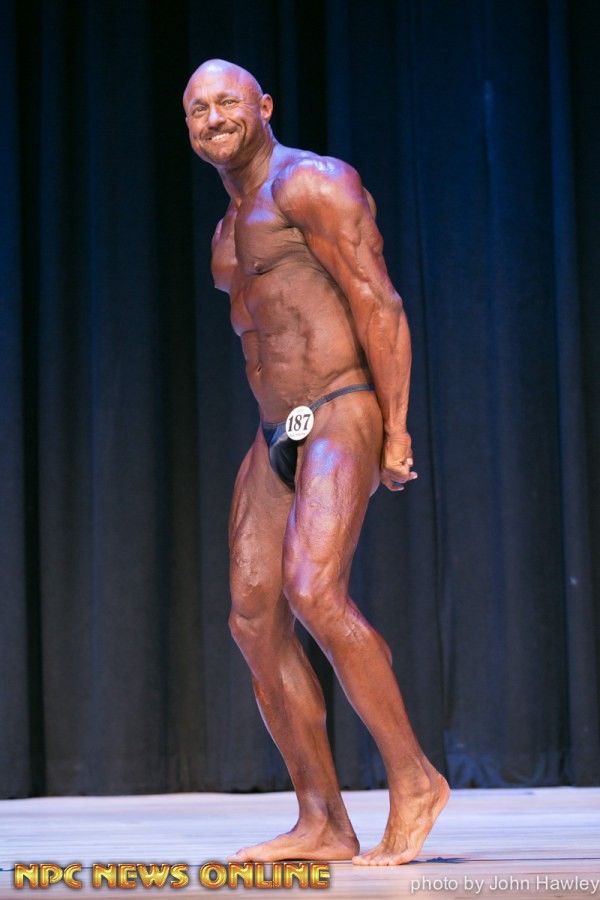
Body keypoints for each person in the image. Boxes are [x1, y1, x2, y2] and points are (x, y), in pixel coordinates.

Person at [183, 58, 449, 866]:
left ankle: (415, 779)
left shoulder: (313, 183)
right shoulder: (227, 232)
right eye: (197, 110)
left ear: (264, 106)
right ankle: (322, 820)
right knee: (253, 617)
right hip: (278, 426)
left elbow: (378, 299)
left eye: (227, 102)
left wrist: (395, 428)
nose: (213, 118)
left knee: (313, 590)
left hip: (342, 404)